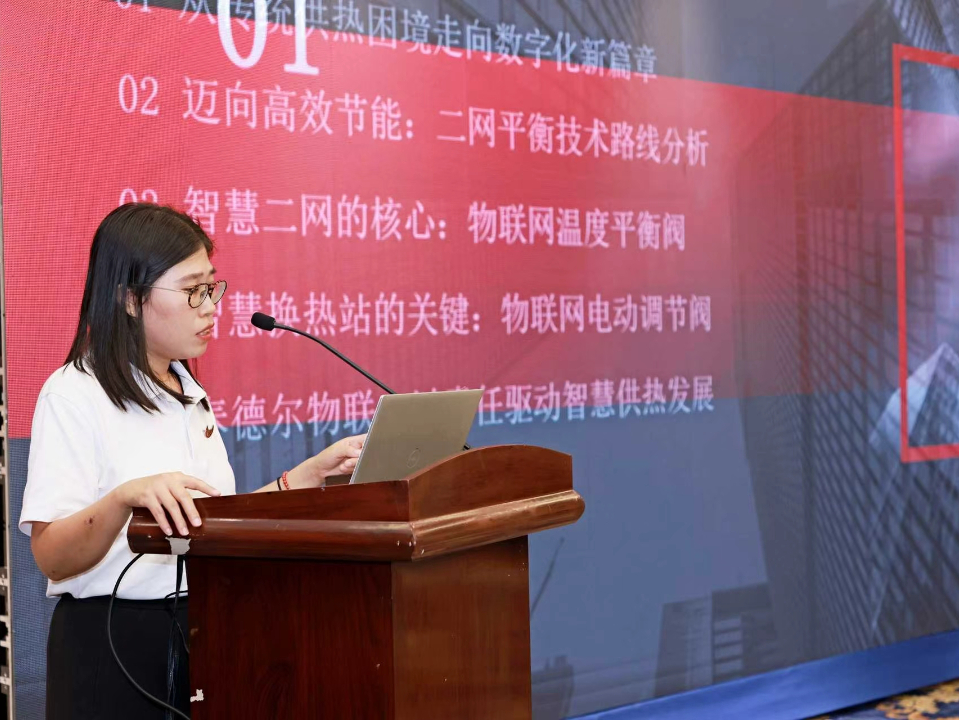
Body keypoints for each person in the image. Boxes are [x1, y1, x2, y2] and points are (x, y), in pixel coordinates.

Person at [18, 203, 365, 719]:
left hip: (200, 629)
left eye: (211, 287)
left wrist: (307, 476)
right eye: (192, 291)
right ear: (130, 299)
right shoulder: (74, 394)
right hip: (112, 644)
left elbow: (210, 524)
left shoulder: (187, 391)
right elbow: (51, 556)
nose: (210, 307)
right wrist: (123, 499)